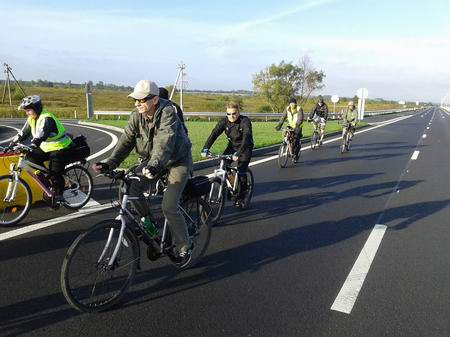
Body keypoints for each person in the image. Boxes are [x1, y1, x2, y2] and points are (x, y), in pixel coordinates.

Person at [92, 80, 193, 264]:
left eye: (141, 100)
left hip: (177, 160)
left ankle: (184, 246)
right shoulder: (136, 115)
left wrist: (153, 165)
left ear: (154, 99)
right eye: (135, 100)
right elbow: (126, 141)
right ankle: (149, 222)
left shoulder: (168, 112)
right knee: (130, 187)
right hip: (153, 160)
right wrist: (110, 163)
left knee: (169, 206)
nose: (137, 103)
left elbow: (164, 142)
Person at [10, 95, 73, 204]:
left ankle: (59, 193)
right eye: (26, 111)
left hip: (60, 146)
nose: (27, 113)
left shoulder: (46, 118)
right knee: (30, 158)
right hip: (47, 147)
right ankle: (48, 182)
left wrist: (33, 145)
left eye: (29, 110)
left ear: (37, 108)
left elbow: (41, 135)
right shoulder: (32, 118)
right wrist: (12, 144)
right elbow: (23, 133)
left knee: (55, 172)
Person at [201, 103, 253, 208]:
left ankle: (241, 197)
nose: (231, 116)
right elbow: (214, 134)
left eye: (234, 113)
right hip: (232, 146)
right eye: (228, 114)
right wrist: (205, 148)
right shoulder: (224, 121)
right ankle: (233, 185)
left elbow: (246, 136)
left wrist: (239, 153)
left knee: (241, 169)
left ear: (238, 112)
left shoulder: (245, 121)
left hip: (245, 147)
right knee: (224, 165)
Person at [275, 97, 304, 163]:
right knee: (286, 135)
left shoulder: (299, 109)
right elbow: (283, 117)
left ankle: (295, 155)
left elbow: (300, 118)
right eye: (291, 103)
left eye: (293, 103)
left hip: (298, 126)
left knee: (296, 140)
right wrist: (279, 125)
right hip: (290, 126)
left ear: (295, 104)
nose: (292, 104)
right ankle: (288, 147)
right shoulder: (287, 109)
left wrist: (297, 125)